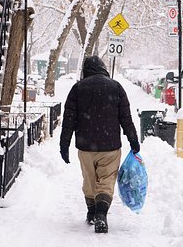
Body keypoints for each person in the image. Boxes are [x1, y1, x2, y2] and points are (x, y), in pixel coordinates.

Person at [60, 56, 140, 233]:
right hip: (110, 146)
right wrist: (133, 139)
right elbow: (126, 118)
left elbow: (69, 120)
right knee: (106, 181)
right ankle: (101, 214)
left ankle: (91, 212)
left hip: (85, 146)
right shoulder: (116, 87)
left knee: (89, 180)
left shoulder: (78, 88)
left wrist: (64, 145)